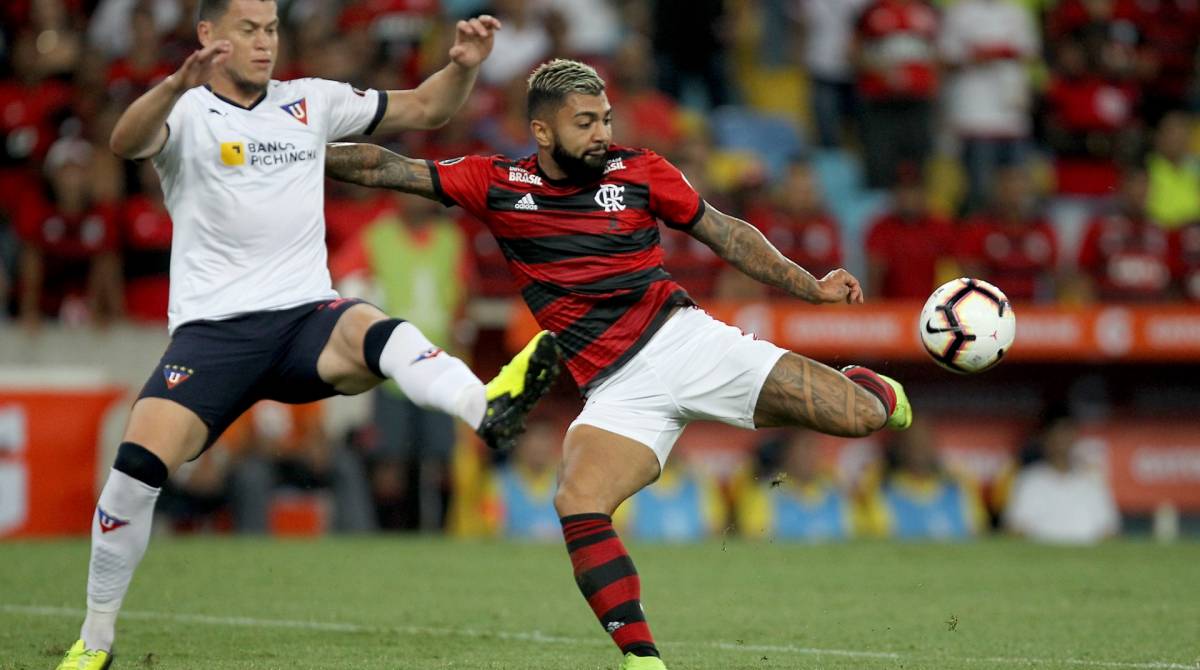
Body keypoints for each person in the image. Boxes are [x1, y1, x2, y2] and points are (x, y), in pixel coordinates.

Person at [325, 58, 913, 670]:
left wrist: (809, 286)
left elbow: (724, 232)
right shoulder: (497, 183)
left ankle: (872, 390)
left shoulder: (640, 170)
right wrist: (294, 152)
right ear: (543, 132)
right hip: (616, 389)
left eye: (604, 118)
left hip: (689, 344)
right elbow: (388, 168)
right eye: (585, 122)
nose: (602, 132)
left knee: (863, 417)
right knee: (577, 498)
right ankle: (642, 657)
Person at [57, 4, 561, 669]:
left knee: (368, 323)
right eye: (248, 29)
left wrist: (462, 66)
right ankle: (94, 642)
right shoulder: (183, 109)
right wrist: (175, 85)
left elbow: (427, 108)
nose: (264, 42)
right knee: (132, 475)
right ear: (210, 35)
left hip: (302, 318)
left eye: (270, 29)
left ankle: (486, 406)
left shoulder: (310, 102)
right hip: (214, 335)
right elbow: (124, 142)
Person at [1004, 411, 1119, 544]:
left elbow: (1109, 530)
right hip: (1040, 557)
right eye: (1056, 434)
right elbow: (1015, 530)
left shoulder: (1092, 478)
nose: (1062, 441)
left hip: (1088, 556)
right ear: (1045, 437)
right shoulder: (1029, 479)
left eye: (1067, 433)